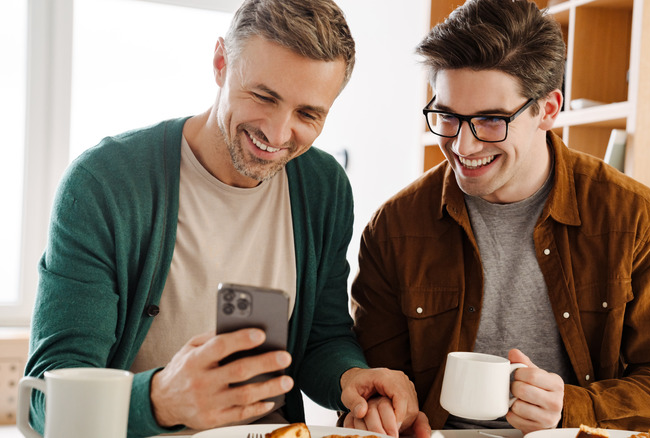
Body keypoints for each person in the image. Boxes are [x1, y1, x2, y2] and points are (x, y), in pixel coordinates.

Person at [24, 1, 420, 437]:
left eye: (308, 114)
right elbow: (46, 402)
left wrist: (350, 378)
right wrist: (159, 401)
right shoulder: (105, 183)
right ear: (220, 63)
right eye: (263, 96)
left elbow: (321, 339)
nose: (277, 133)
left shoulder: (324, 188)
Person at [349, 0, 650, 435]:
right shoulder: (394, 229)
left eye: (490, 120)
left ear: (548, 109)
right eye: (448, 116)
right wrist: (378, 409)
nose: (463, 148)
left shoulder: (634, 217)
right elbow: (373, 382)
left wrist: (571, 408)